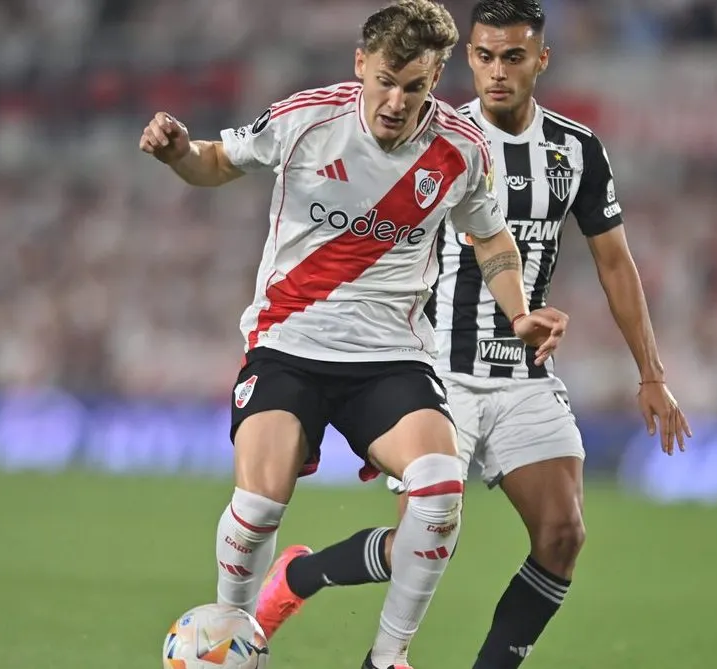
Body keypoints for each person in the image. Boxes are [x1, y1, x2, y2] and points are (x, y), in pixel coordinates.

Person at [252, 1, 691, 667]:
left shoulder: (575, 151)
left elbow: (614, 263)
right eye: (483, 56)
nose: (495, 70)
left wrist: (651, 373)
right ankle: (298, 578)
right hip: (435, 369)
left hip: (523, 372)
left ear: (540, 60)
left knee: (564, 532)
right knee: (427, 538)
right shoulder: (438, 139)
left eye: (513, 56)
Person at [138, 2, 569, 668]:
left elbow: (490, 236)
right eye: (387, 80)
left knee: (438, 492)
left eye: (415, 86)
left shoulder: (459, 149)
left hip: (390, 356)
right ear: (361, 65)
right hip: (289, 344)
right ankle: (229, 640)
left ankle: (387, 658)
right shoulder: (307, 120)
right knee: (256, 504)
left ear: (435, 79)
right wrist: (178, 154)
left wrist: (519, 313)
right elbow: (217, 160)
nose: (397, 101)